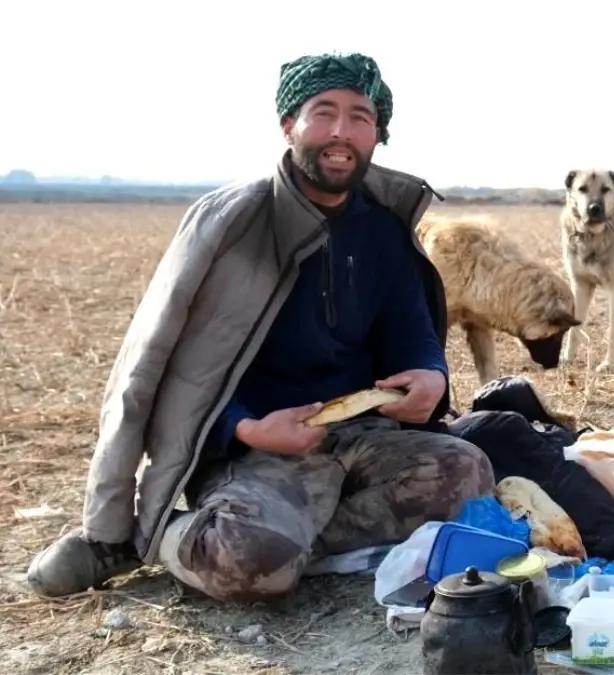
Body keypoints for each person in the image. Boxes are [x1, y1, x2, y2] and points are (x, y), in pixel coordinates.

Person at [25, 53, 496, 602]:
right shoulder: (229, 224)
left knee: (467, 477)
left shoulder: (384, 228)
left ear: (376, 135)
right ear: (288, 125)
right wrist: (246, 428)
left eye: (360, 117)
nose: (341, 132)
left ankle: (287, 542)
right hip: (254, 450)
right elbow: (158, 369)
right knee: (242, 564)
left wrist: (430, 375)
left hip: (361, 436)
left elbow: (411, 332)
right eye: (324, 113)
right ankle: (145, 541)